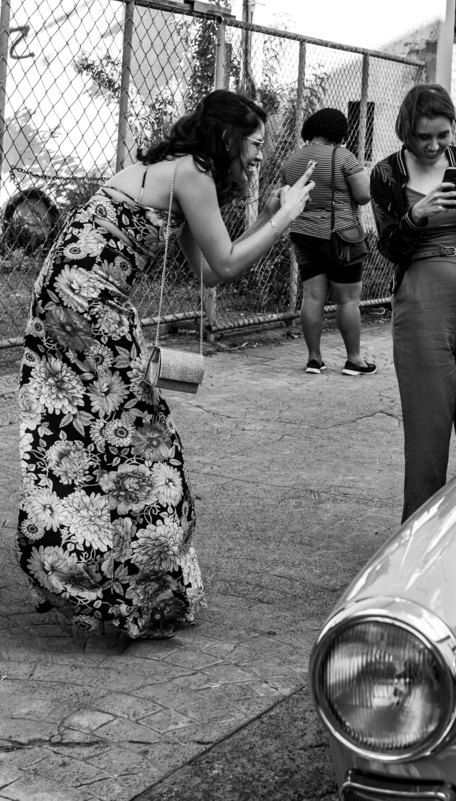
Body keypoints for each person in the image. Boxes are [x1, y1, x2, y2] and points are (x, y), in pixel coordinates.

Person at [16, 89, 315, 639]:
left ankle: (97, 568)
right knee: (140, 436)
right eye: (253, 144)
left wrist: (272, 212)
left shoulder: (181, 173)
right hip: (84, 302)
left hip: (72, 296)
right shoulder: (192, 173)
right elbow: (225, 265)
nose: (256, 156)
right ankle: (117, 580)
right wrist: (285, 220)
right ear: (226, 137)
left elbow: (207, 271)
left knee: (110, 435)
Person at [369, 83, 456, 520]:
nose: (433, 145)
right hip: (421, 302)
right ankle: (421, 534)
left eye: (442, 135)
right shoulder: (387, 173)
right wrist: (416, 214)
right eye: (423, 136)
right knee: (427, 426)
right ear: (405, 131)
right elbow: (389, 247)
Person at [281, 108, 376, 376]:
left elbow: (290, 195)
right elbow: (364, 195)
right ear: (338, 132)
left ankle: (314, 359)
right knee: (348, 299)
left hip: (303, 234)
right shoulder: (343, 156)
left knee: (312, 296)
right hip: (341, 235)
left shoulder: (291, 162)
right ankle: (354, 360)